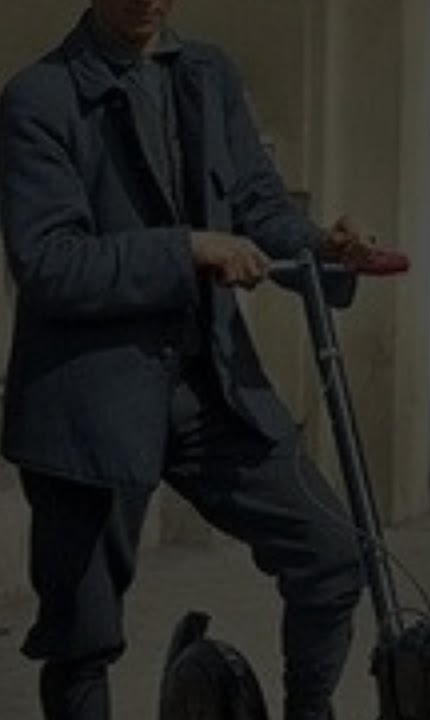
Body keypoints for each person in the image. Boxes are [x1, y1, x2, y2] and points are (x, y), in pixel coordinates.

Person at [0, 2, 381, 719]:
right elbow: (49, 263)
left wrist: (321, 245)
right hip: (89, 407)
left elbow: (257, 207)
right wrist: (187, 249)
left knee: (332, 554)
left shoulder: (206, 73)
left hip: (212, 391)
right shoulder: (39, 97)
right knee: (82, 641)